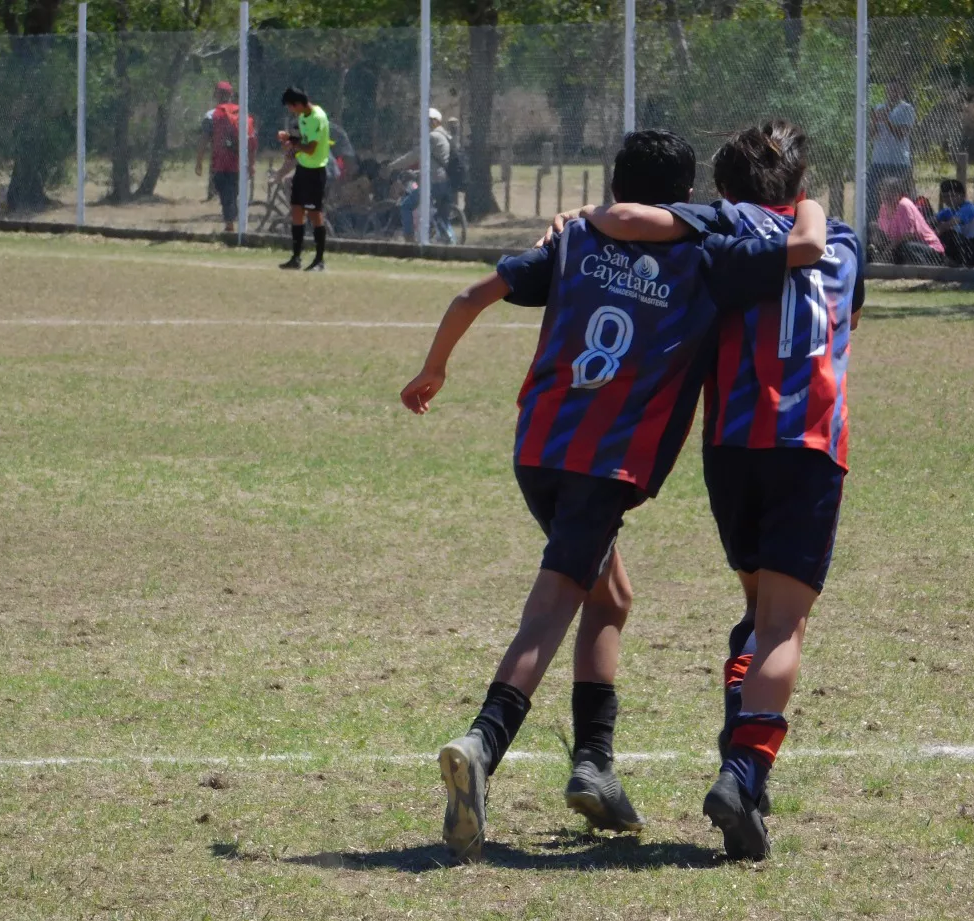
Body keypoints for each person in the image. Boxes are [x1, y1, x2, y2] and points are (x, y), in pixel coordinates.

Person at [399, 130, 828, 862]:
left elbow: (472, 293)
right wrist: (811, 210)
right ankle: (482, 743)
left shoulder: (574, 239)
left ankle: (593, 766)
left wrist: (432, 370)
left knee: (611, 597)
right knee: (550, 613)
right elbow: (798, 251)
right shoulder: (704, 256)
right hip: (604, 468)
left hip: (538, 450)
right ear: (688, 195)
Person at [277, 87, 330, 272]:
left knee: (314, 214)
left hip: (315, 172)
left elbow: (311, 148)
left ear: (298, 104)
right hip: (303, 169)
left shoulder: (317, 117)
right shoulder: (302, 117)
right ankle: (296, 258)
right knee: (297, 211)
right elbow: (302, 145)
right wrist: (290, 145)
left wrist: (293, 142)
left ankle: (319, 260)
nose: (292, 112)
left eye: (292, 107)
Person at [195, 81, 257, 233]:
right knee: (233, 191)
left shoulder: (211, 115)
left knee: (224, 192)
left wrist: (199, 161)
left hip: (220, 162)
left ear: (216, 94)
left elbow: (204, 139)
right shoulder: (242, 113)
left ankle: (230, 224)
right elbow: (252, 139)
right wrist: (251, 163)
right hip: (238, 162)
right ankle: (233, 220)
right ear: (231, 95)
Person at [390, 107, 452, 242]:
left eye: (428, 121)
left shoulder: (432, 137)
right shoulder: (446, 137)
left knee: (406, 205)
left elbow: (414, 155)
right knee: (441, 215)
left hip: (434, 183)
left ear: (435, 121)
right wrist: (418, 172)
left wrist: (392, 166)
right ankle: (447, 239)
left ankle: (409, 239)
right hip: (446, 182)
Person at [867, 80, 916, 227]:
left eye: (895, 90)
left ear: (901, 91)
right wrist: (875, 121)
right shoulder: (879, 108)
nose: (891, 93)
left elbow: (901, 135)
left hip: (898, 162)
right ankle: (874, 229)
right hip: (879, 160)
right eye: (889, 90)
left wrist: (887, 119)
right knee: (873, 196)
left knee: (897, 198)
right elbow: (871, 136)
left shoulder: (906, 109)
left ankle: (899, 227)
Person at [871, 178, 945, 265]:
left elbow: (909, 236)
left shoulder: (904, 205)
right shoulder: (884, 207)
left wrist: (889, 248)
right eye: (883, 191)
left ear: (899, 194)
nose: (886, 195)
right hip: (899, 245)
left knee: (905, 247)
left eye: (891, 191)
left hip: (929, 249)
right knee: (871, 229)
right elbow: (883, 232)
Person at [935, 178, 974, 266]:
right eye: (945, 197)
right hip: (967, 246)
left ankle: (955, 261)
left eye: (951, 196)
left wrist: (934, 233)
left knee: (949, 234)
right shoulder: (949, 210)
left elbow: (949, 224)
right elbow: (933, 219)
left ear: (962, 196)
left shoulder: (969, 208)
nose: (947, 200)